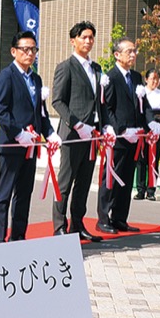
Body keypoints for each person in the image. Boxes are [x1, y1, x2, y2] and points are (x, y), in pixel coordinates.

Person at [0, 30, 59, 244]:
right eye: (25, 49)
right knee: (4, 193)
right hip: (13, 144)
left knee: (24, 193)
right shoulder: (6, 76)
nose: (30, 53)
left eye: (33, 49)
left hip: (32, 146)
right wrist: (18, 132)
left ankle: (18, 235)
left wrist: (50, 133)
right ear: (14, 51)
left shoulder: (35, 79)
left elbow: (41, 112)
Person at [96, 38, 160, 234]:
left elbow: (144, 105)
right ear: (117, 54)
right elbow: (106, 108)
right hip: (118, 138)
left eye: (134, 51)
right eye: (129, 51)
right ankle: (103, 218)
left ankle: (120, 218)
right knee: (111, 179)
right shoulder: (110, 77)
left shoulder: (136, 77)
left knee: (126, 178)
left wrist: (150, 122)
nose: (133, 55)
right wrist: (122, 130)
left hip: (136, 137)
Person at [50, 21, 105, 242]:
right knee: (65, 182)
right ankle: (59, 227)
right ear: (73, 40)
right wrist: (77, 125)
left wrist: (102, 127)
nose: (88, 41)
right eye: (84, 37)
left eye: (91, 37)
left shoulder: (97, 68)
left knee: (84, 183)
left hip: (92, 135)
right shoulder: (66, 66)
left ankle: (78, 224)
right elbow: (58, 101)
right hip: (73, 134)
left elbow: (99, 101)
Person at [135, 68, 160, 201]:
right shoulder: (141, 92)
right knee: (141, 159)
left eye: (156, 79)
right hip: (143, 126)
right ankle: (140, 189)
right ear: (146, 79)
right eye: (151, 79)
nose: (154, 81)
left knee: (154, 159)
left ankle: (151, 190)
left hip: (157, 127)